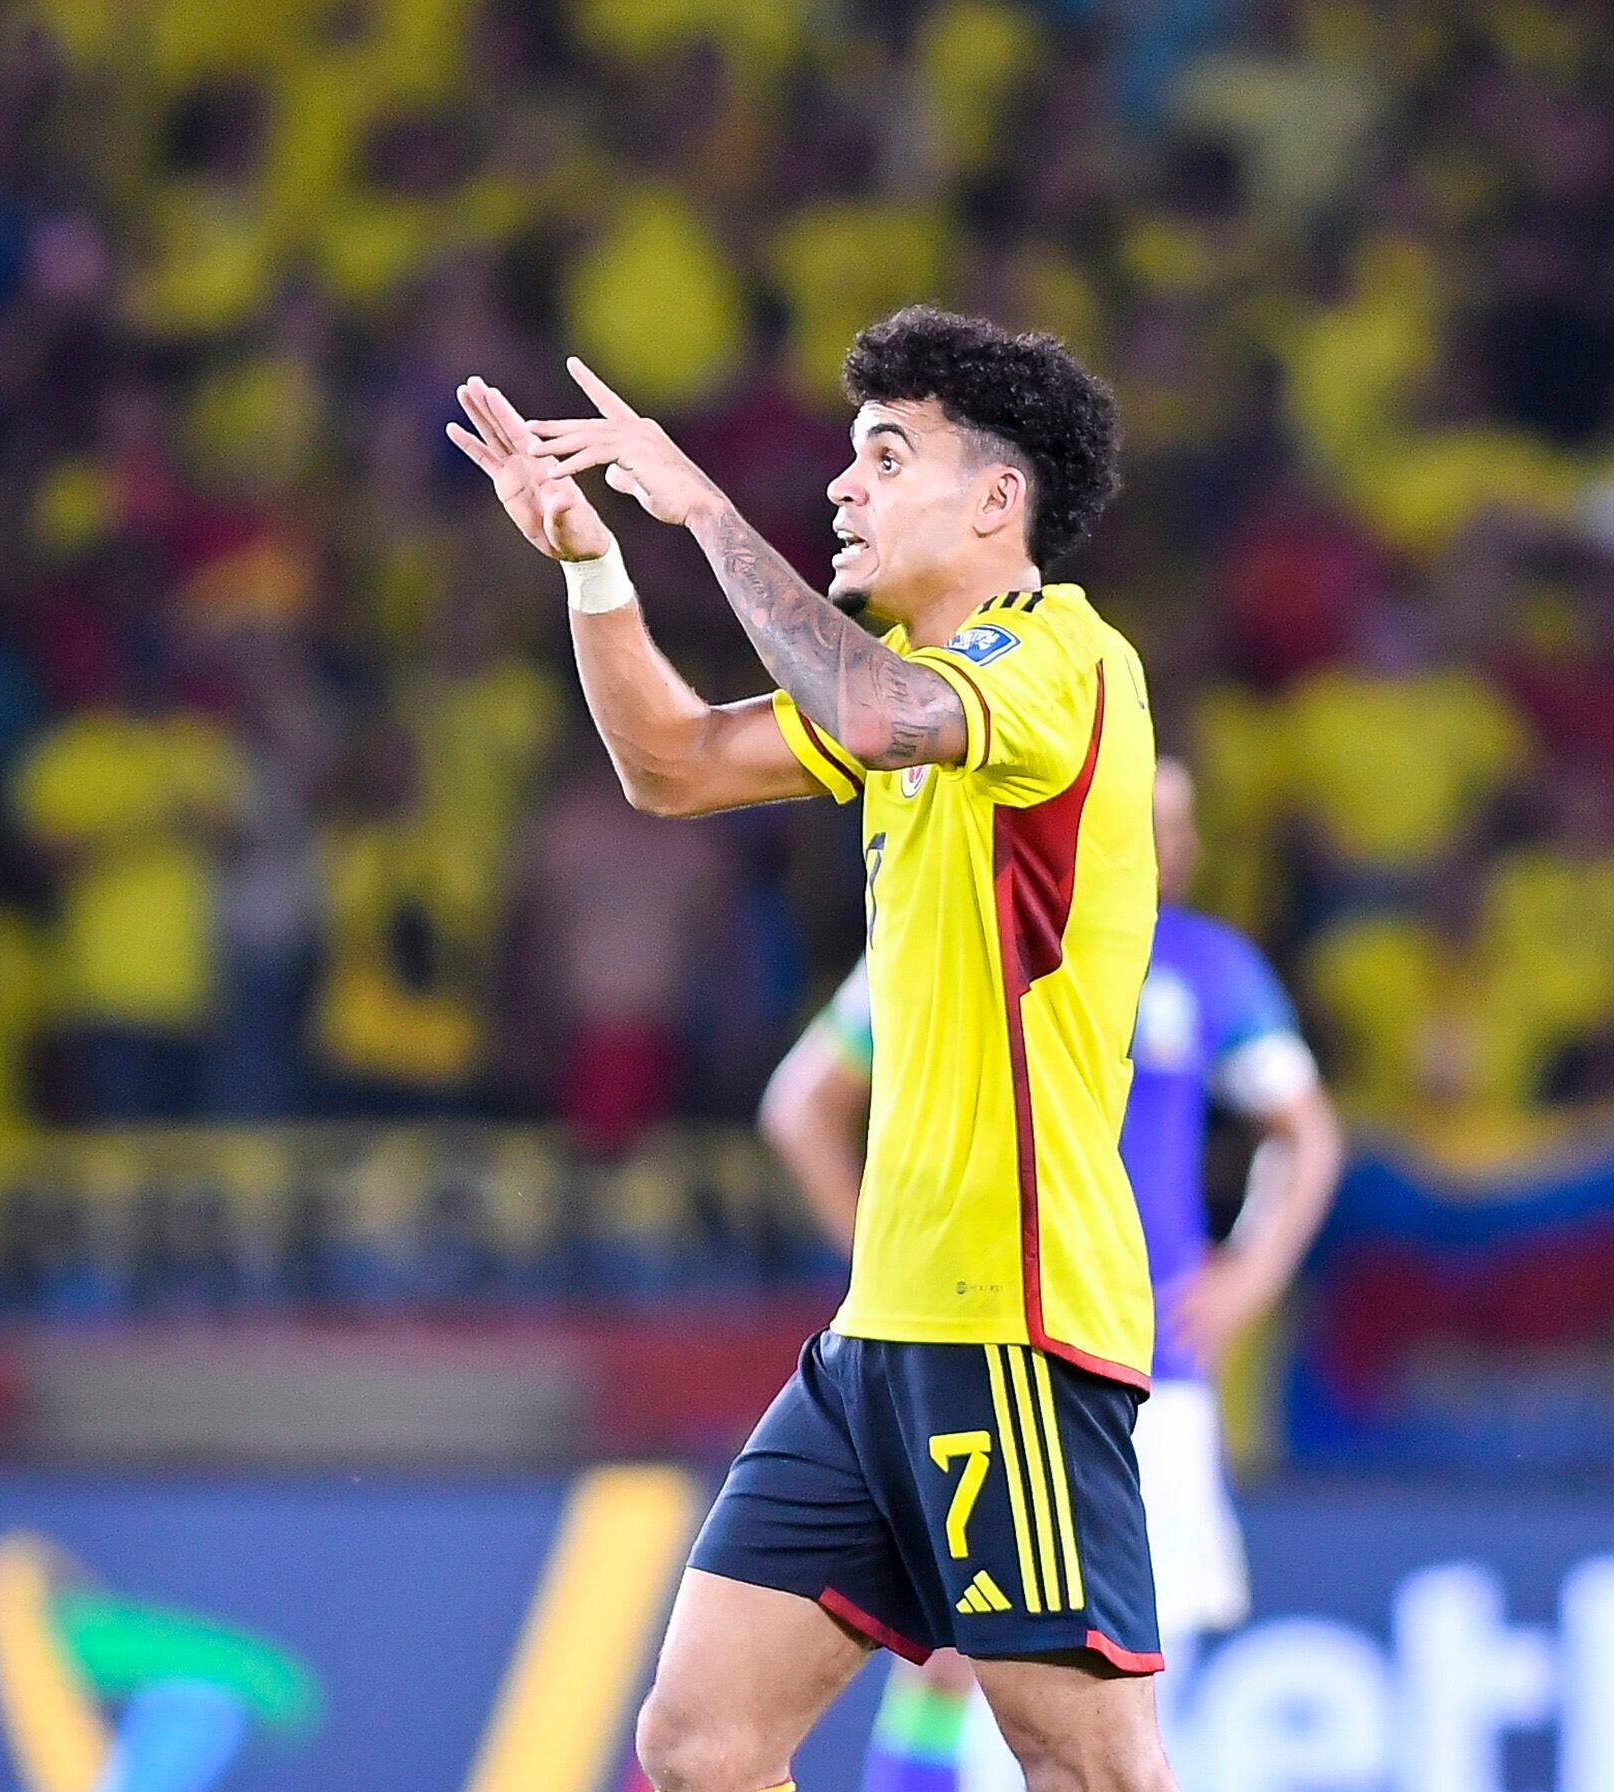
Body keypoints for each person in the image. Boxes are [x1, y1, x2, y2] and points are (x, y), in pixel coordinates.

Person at [452, 305, 1169, 1792]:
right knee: (703, 1743)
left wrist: (702, 506)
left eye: (884, 457)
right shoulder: (918, 691)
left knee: (1092, 1769)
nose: (844, 487)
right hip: (880, 1334)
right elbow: (674, 765)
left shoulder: (1055, 661)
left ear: (997, 502)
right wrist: (596, 563)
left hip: (1010, 1321)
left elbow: (880, 705)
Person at [763, 756, 1345, 1792]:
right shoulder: (963, 926)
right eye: (1148, 817)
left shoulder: (1205, 966)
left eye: (1180, 823)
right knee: (948, 1652)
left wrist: (1251, 1271)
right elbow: (804, 1100)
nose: (1169, 844)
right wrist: (894, 1256)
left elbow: (1304, 1132)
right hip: (980, 1342)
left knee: (1127, 1679)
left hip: (1144, 1360)